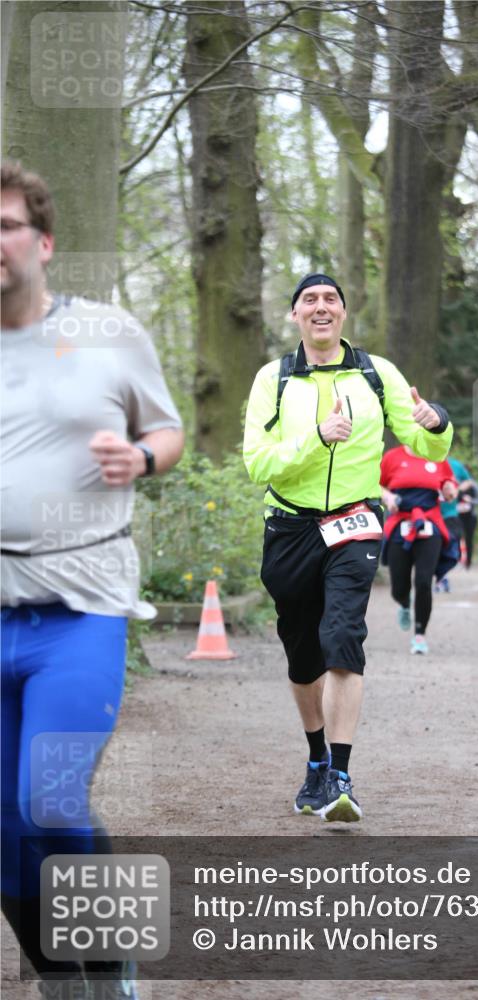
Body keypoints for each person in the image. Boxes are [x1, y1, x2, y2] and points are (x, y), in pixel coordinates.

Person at [1, 162, 184, 999]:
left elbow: (169, 428)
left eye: (5, 226)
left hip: (80, 607)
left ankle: (110, 971)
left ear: (43, 243)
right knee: (2, 824)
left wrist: (141, 456)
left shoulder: (107, 332)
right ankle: (58, 982)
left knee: (52, 795)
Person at [243, 272, 453, 822]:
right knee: (303, 652)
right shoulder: (275, 379)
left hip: (356, 523)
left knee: (342, 636)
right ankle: (315, 760)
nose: (320, 307)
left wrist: (436, 424)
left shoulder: (375, 374)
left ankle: (340, 774)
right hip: (289, 527)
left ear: (343, 313)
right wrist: (316, 438)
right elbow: (256, 463)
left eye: (330, 299)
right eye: (309, 300)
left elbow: (423, 441)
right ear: (294, 315)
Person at [380, 445, 457, 654]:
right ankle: (404, 603)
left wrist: (450, 488)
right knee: (399, 585)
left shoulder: (436, 455)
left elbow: (449, 483)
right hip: (400, 523)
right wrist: (387, 497)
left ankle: (419, 635)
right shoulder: (392, 457)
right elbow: (376, 485)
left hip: (429, 522)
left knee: (424, 581)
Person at [434, 455, 470, 591]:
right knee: (434, 545)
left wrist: (456, 488)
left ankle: (442, 575)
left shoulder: (455, 464)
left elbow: (468, 481)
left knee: (449, 545)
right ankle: (439, 578)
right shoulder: (424, 461)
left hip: (450, 513)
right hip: (431, 514)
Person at [456, 473, 478, 568]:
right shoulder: (456, 484)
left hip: (471, 517)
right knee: (457, 537)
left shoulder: (474, 485)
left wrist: (471, 500)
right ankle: (458, 559)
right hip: (458, 516)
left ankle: (468, 561)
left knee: (469, 538)